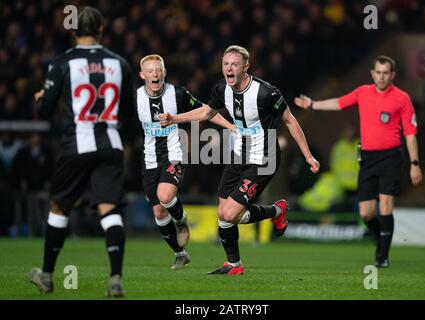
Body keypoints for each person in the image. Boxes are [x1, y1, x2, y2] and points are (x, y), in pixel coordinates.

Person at [160, 45, 320, 275]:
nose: (229, 68)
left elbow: (290, 121)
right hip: (238, 155)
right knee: (223, 213)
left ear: (246, 66)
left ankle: (276, 212)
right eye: (226, 64)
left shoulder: (266, 93)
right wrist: (174, 118)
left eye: (234, 64)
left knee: (231, 214)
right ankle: (234, 265)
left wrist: (308, 156)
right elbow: (207, 113)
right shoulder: (222, 88)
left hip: (264, 158)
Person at [29, 6, 134, 296]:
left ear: (74, 31)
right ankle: (115, 279)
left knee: (60, 207)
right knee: (109, 209)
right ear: (101, 30)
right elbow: (129, 111)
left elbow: (45, 109)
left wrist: (40, 97)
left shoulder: (62, 63)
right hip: (110, 144)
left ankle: (47, 275)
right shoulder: (120, 63)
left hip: (77, 143)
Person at [294, 55, 422, 268]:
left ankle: (382, 255)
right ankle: (380, 237)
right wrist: (313, 104)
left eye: (385, 73)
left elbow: (410, 134)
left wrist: (415, 164)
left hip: (391, 157)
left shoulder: (402, 98)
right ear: (372, 73)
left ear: (393, 75)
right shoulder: (363, 92)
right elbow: (339, 103)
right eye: (378, 72)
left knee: (386, 205)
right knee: (366, 213)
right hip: (369, 158)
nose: (381, 77)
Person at [136, 54, 234, 269]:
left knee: (165, 195)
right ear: (143, 75)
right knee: (159, 212)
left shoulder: (176, 94)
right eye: (151, 70)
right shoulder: (135, 98)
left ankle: (181, 220)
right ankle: (180, 253)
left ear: (164, 72)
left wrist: (232, 127)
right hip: (149, 159)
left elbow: (206, 112)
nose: (156, 74)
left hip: (174, 154)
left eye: (159, 69)